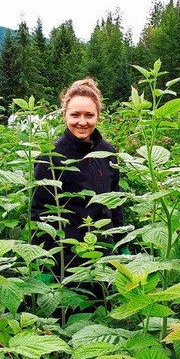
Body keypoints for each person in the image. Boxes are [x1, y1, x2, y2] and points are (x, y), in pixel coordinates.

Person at [31, 78, 125, 288]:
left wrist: (123, 243)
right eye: (75, 115)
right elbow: (39, 214)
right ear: (64, 115)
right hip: (67, 261)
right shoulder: (51, 158)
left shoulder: (107, 152)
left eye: (89, 115)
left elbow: (115, 201)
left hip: (104, 256)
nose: (82, 121)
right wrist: (43, 266)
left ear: (98, 116)